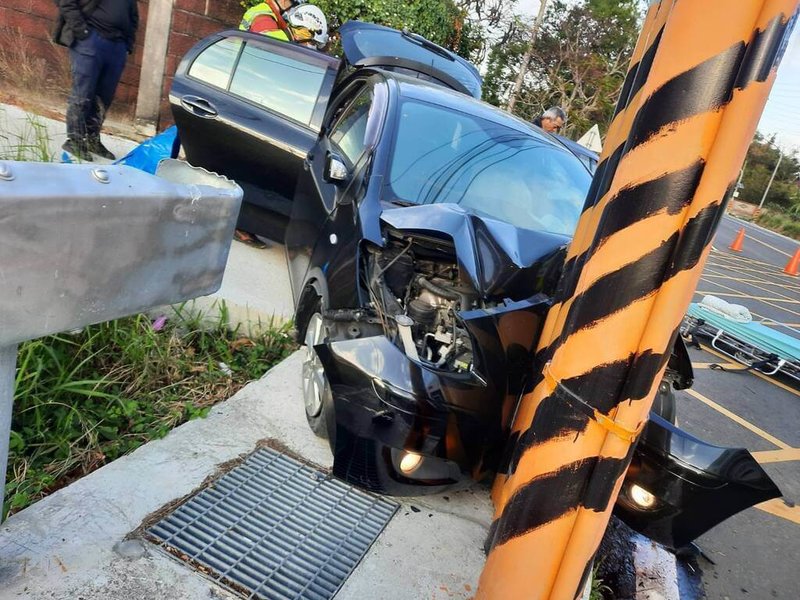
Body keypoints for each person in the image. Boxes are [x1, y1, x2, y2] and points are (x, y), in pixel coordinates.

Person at [53, 0, 139, 162]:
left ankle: (92, 140)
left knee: (104, 97)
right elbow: (66, 3)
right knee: (83, 94)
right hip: (91, 40)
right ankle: (75, 140)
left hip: (117, 46)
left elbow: (133, 16)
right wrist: (82, 32)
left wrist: (127, 43)